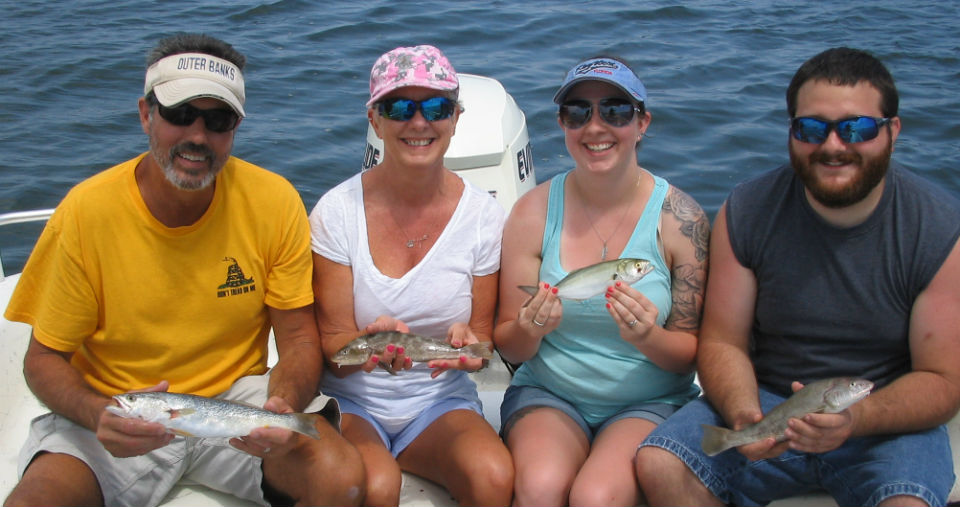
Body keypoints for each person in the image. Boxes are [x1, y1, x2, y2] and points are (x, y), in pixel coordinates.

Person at [2, 33, 365, 507]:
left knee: (342, 479)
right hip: (117, 406)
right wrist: (98, 415)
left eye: (218, 120)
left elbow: (298, 341)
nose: (197, 135)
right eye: (179, 114)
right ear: (145, 114)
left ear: (235, 127)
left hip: (237, 400)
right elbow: (42, 360)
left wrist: (284, 408)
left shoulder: (275, 202)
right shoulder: (86, 213)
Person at [636, 47, 960, 507]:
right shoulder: (747, 211)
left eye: (857, 128)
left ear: (893, 132)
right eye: (811, 128)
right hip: (770, 397)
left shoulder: (939, 228)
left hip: (884, 415)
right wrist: (746, 416)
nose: (832, 145)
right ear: (792, 133)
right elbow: (723, 342)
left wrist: (857, 419)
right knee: (660, 463)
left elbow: (942, 380)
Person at [492, 56, 709, 506]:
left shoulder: (679, 219)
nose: (595, 127)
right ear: (562, 124)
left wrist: (649, 337)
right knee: (539, 487)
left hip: (650, 401)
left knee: (596, 496)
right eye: (578, 112)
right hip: (548, 393)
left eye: (615, 111)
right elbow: (509, 346)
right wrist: (530, 330)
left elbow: (689, 356)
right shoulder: (532, 212)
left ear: (642, 123)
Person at [310, 44, 514, 507]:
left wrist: (469, 350)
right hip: (353, 403)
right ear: (374, 119)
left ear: (456, 118)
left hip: (440, 403)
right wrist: (365, 349)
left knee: (494, 477)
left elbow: (483, 345)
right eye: (399, 107)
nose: (419, 122)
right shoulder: (336, 213)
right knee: (375, 486)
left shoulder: (484, 217)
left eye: (436, 107)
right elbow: (333, 343)